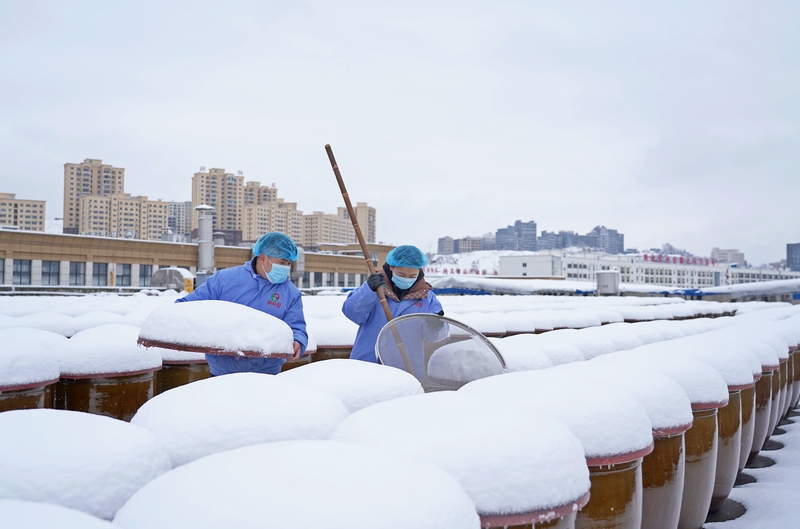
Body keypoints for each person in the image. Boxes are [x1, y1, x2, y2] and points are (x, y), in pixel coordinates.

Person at [176, 232, 308, 376]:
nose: (286, 268)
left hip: (267, 376)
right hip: (221, 374)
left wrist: (298, 342)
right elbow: (187, 307)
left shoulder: (291, 293)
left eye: (289, 264)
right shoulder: (224, 280)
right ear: (263, 258)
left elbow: (297, 327)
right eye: (282, 263)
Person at [343, 245, 443, 363]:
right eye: (401, 275)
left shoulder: (426, 297)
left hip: (406, 365)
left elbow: (434, 337)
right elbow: (351, 312)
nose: (406, 279)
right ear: (391, 267)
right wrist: (368, 290)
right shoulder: (376, 288)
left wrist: (435, 326)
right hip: (368, 362)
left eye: (412, 276)